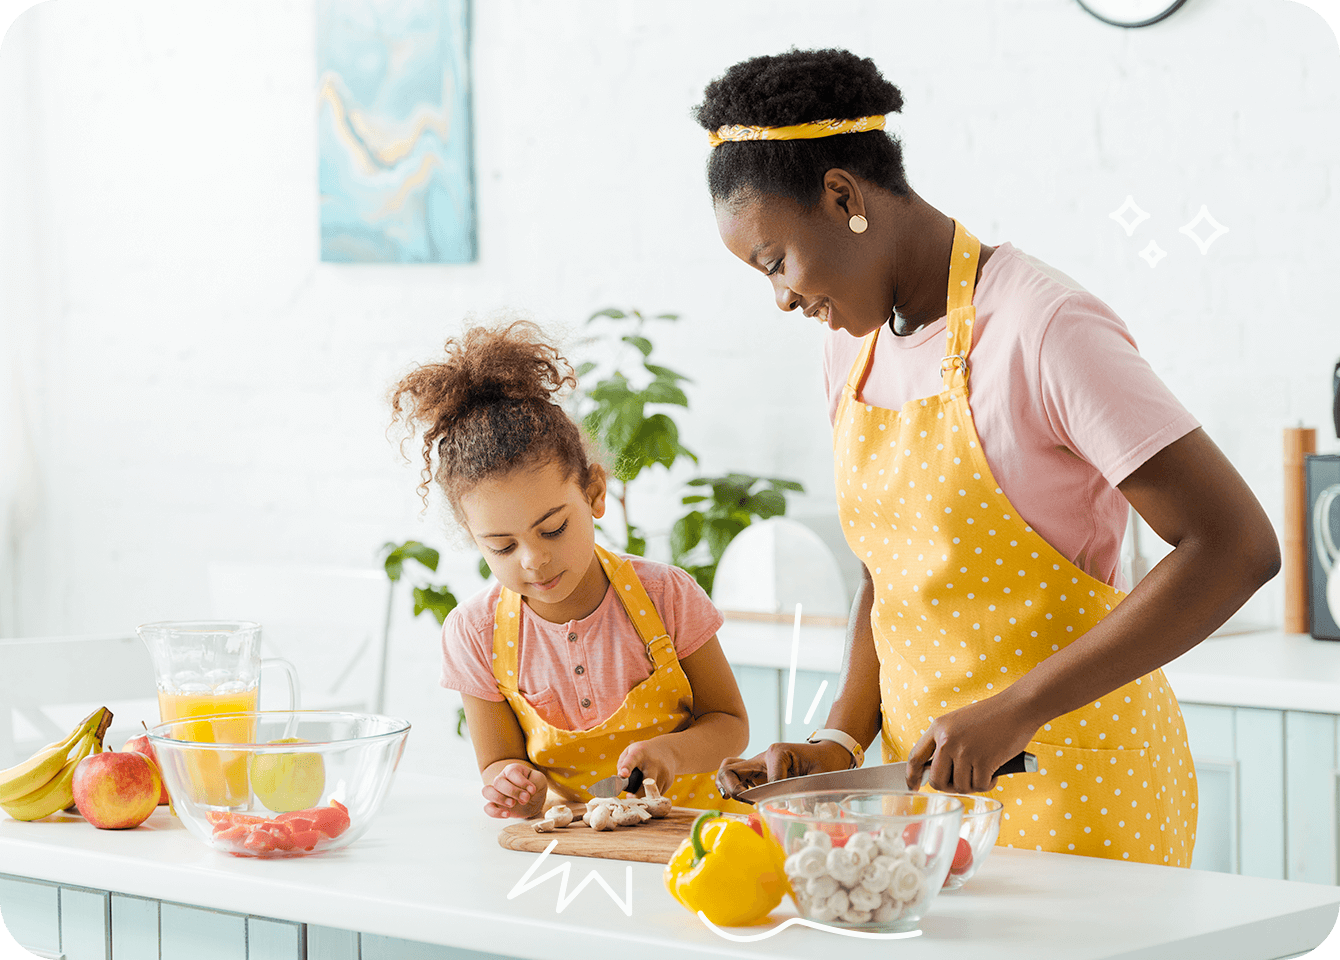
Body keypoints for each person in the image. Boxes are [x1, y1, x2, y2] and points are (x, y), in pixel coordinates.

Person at [700, 48, 1280, 867]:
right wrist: (838, 739)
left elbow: (1236, 546)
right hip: (926, 813)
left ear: (842, 196)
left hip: (1080, 796)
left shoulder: (1045, 328)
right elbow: (887, 575)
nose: (783, 298)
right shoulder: (853, 348)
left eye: (776, 262)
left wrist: (1018, 708)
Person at [389, 318, 751, 819]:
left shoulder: (666, 596)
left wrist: (672, 752)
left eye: (553, 529)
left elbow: (729, 721)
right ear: (473, 538)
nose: (533, 560)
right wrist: (515, 788)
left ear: (594, 493)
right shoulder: (476, 633)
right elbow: (499, 763)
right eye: (501, 546)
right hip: (572, 850)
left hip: (694, 835)